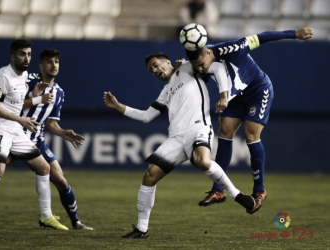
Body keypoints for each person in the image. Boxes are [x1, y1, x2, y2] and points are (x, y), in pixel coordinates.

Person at [103, 52, 257, 239]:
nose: (154, 70)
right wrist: (118, 106)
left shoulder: (186, 67)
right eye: (151, 69)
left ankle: (236, 194)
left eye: (156, 64)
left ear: (167, 61)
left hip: (197, 128)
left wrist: (224, 96)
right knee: (149, 176)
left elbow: (216, 67)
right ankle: (142, 229)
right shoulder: (166, 91)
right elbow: (146, 116)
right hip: (175, 138)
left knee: (203, 161)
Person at [183, 27, 314, 214]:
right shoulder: (201, 59)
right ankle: (218, 190)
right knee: (225, 132)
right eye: (198, 68)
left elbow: (262, 37)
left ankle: (260, 191)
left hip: (258, 91)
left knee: (250, 135)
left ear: (209, 53)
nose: (202, 69)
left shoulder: (233, 48)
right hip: (235, 98)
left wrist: (294, 34)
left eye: (203, 65)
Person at [0, 39, 68, 230]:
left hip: (15, 129)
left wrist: (35, 97)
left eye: (29, 54)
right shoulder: (2, 76)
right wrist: (21, 120)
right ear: (12, 56)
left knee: (44, 168)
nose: (26, 58)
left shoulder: (24, 77)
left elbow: (17, 102)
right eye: (22, 54)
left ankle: (46, 216)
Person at [20, 49, 93, 230]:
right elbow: (10, 104)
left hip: (36, 140)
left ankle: (76, 222)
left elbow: (51, 123)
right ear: (41, 65)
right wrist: (37, 99)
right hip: (14, 134)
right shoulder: (26, 81)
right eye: (49, 62)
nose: (54, 65)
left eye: (57, 62)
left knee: (60, 180)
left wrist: (63, 133)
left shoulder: (59, 93)